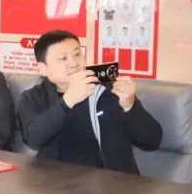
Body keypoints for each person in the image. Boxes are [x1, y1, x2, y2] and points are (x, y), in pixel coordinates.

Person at [17, 30, 162, 175]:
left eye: (77, 54)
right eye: (63, 58)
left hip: (111, 181)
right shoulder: (33, 97)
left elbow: (152, 141)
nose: (74, 63)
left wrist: (130, 106)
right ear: (43, 68)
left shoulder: (110, 91)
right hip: (55, 180)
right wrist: (68, 101)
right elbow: (33, 139)